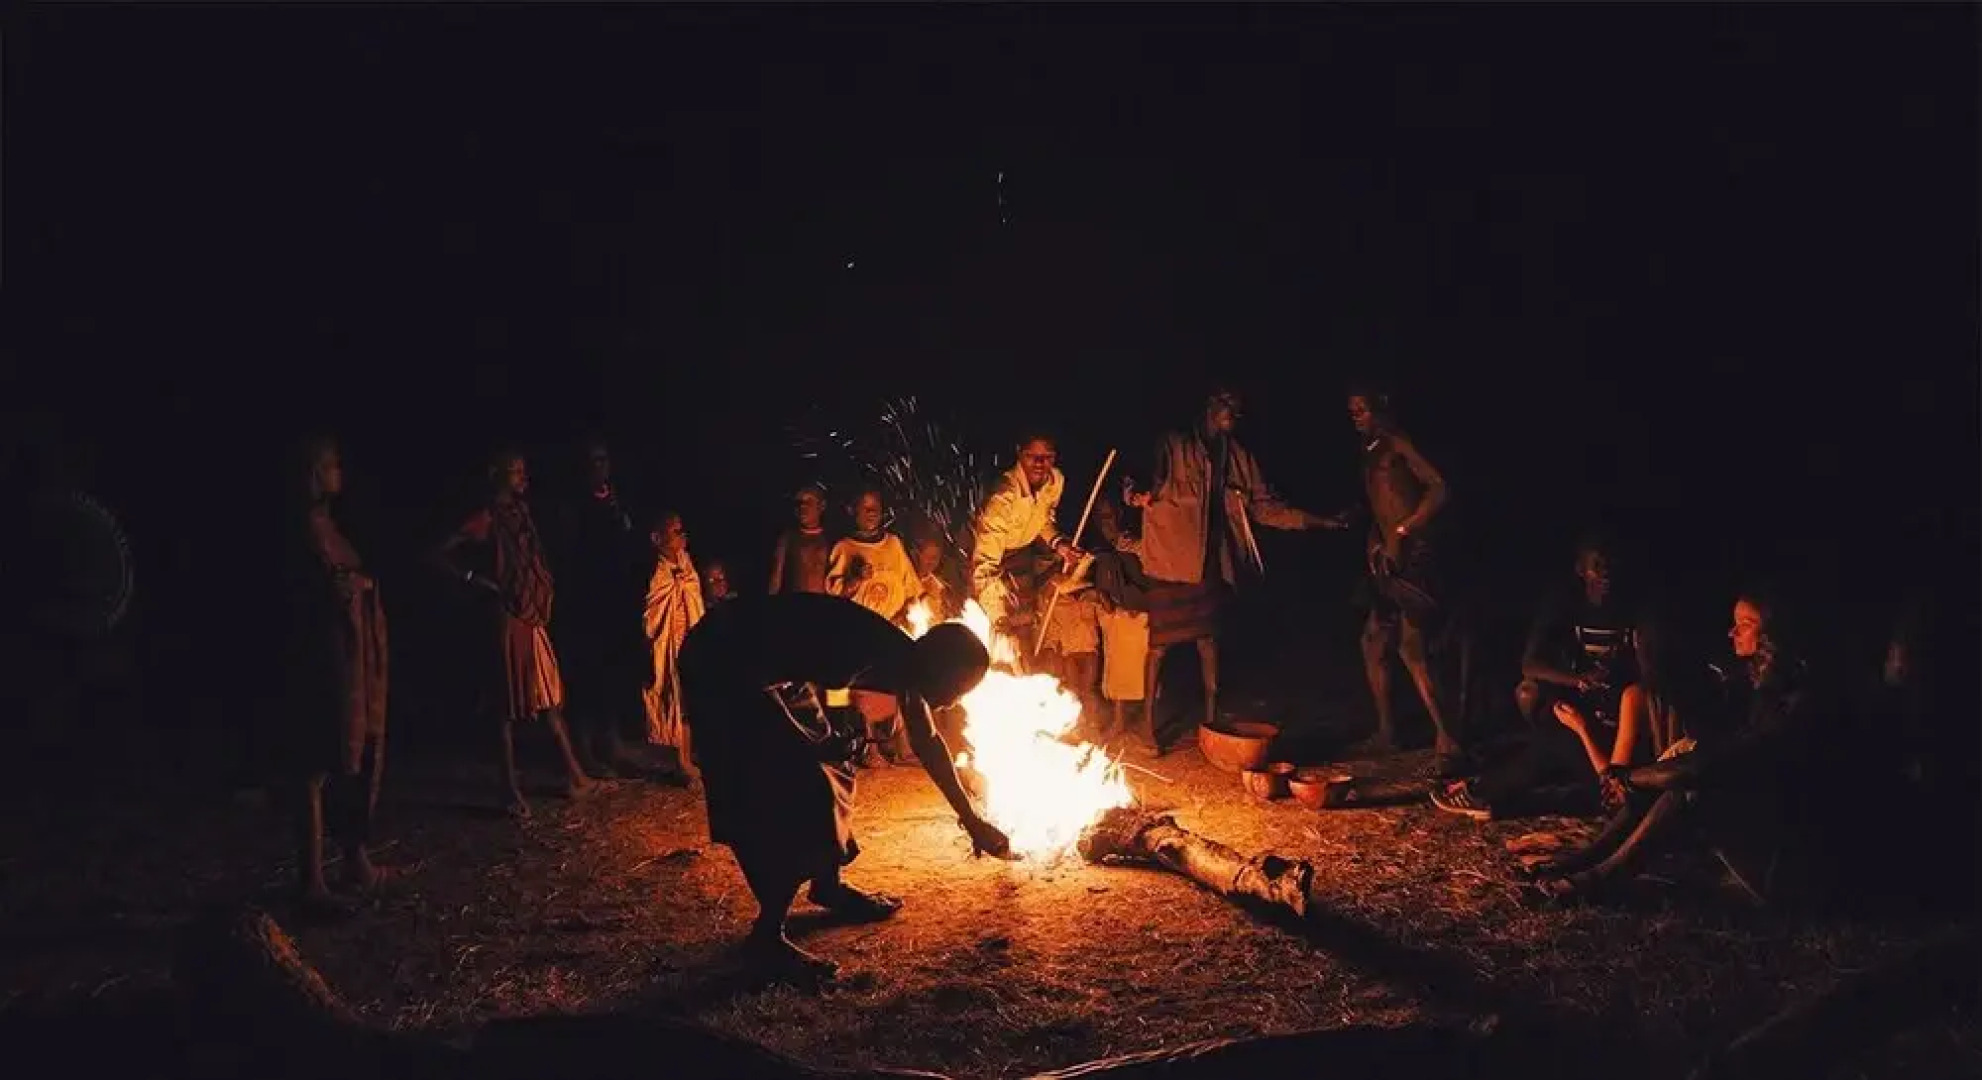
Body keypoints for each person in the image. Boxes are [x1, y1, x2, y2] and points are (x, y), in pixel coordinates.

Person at [678, 592, 1013, 981]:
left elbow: (929, 744)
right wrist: (825, 734)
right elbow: (835, 685)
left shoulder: (908, 663)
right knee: (800, 782)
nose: (955, 701)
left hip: (777, 670)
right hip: (724, 661)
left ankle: (828, 886)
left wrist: (971, 820)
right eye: (960, 687)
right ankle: (767, 936)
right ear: (938, 668)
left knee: (832, 764)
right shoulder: (870, 650)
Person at [1527, 591, 1822, 905]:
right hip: (1761, 827)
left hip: (1785, 860)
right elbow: (1714, 751)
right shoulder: (1751, 687)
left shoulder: (1793, 701)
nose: (1731, 632)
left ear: (1772, 635)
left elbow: (1709, 766)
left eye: (1745, 625)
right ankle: (1584, 861)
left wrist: (1628, 777)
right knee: (1673, 776)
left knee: (1688, 787)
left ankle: (1599, 879)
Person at [1124, 387, 1329, 753]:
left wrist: (1317, 521)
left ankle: (1211, 722)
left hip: (1209, 563)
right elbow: (1141, 481)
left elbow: (1265, 506)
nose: (1233, 414)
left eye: (1238, 409)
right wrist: (1136, 492)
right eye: (1227, 406)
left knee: (1209, 642)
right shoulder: (1173, 446)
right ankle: (1146, 726)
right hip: (1170, 562)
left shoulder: (1235, 457)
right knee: (1158, 648)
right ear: (1210, 406)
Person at [1432, 534, 1653, 819]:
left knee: (1557, 753)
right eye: (1598, 564)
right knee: (1547, 739)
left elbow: (1612, 784)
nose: (1607, 571)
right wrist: (1580, 683)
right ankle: (1488, 790)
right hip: (1599, 712)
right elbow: (1531, 664)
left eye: (1612, 563)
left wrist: (1582, 728)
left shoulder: (1637, 691)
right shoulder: (1567, 602)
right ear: (1581, 570)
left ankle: (1485, 793)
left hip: (1614, 734)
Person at [433, 449, 594, 819]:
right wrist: (476, 580)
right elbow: (439, 554)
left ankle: (575, 774)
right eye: (516, 471)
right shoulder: (487, 518)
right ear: (498, 475)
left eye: (524, 470)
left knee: (549, 692)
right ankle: (509, 789)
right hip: (507, 617)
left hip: (530, 613)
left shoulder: (521, 514)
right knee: (505, 704)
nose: (524, 477)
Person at [1325, 386, 1462, 772]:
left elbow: (1438, 488)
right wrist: (1374, 538)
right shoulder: (1368, 450)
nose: (1355, 416)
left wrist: (1403, 531)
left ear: (1381, 407)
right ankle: (1388, 733)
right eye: (1351, 410)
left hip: (1417, 557)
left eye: (1362, 409)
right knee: (1372, 641)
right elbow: (1379, 504)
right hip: (1386, 560)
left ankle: (1449, 741)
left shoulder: (1397, 442)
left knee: (1412, 649)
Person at [283, 436, 395, 908]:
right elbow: (320, 592)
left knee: (357, 754)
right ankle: (312, 879)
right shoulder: (304, 531)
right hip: (328, 657)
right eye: (329, 464)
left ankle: (354, 857)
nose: (338, 471)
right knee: (316, 763)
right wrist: (356, 586)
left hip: (356, 656)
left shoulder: (328, 526)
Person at [550, 439, 652, 778]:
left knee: (614, 673)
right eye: (593, 461)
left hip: (616, 601)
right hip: (584, 603)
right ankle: (585, 747)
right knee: (586, 677)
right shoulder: (573, 506)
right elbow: (567, 555)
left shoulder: (618, 501)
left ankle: (613, 742)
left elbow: (631, 543)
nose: (599, 467)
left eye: (603, 460)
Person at [969, 432, 1076, 636]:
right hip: (987, 554)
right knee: (990, 625)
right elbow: (984, 564)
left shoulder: (1056, 481)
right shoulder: (1003, 497)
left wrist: (1058, 543)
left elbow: (1043, 519)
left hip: (1021, 553)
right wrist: (997, 616)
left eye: (1047, 456)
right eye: (1031, 456)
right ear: (1019, 453)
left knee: (1024, 621)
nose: (1039, 463)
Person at [643, 511, 705, 780]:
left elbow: (693, 595)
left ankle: (688, 755)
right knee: (674, 699)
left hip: (689, 637)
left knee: (690, 698)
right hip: (668, 642)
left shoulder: (685, 562)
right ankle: (679, 760)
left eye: (682, 530)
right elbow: (653, 612)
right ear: (658, 538)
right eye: (675, 531)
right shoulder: (658, 571)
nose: (682, 535)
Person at [1090, 495, 1154, 742]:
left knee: (1140, 669)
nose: (1106, 522)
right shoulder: (1101, 549)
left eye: (1109, 516)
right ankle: (1118, 720)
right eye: (1101, 517)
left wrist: (1138, 600)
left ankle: (1147, 721)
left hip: (1138, 614)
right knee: (1116, 668)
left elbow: (1148, 572)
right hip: (1114, 615)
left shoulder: (1132, 541)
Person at [826, 487, 923, 626]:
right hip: (859, 629)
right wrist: (856, 579)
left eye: (875, 507)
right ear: (851, 510)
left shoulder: (893, 544)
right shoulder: (844, 548)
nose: (871, 512)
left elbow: (912, 589)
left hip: (893, 628)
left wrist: (901, 618)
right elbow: (835, 598)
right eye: (865, 507)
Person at [768, 483, 833, 595]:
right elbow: (776, 577)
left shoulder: (831, 539)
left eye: (809, 502)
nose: (802, 506)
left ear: (822, 506)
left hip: (824, 606)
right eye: (799, 502)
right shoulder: (788, 538)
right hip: (795, 604)